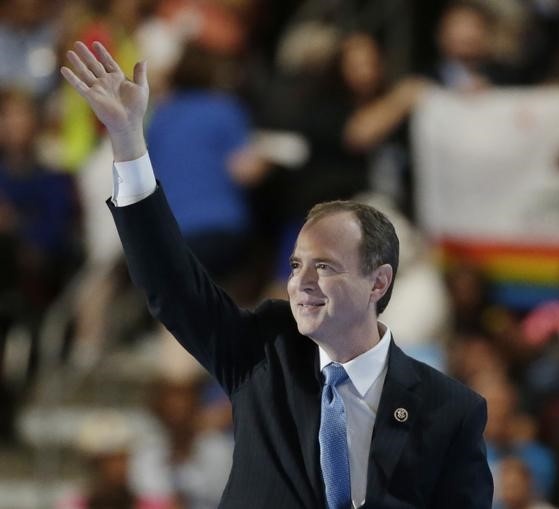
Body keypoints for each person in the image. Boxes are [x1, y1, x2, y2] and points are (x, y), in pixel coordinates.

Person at [61, 41, 492, 508]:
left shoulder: (450, 411)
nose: (301, 281)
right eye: (295, 264)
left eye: (324, 265)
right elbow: (173, 285)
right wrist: (127, 141)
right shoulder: (263, 354)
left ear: (378, 283)